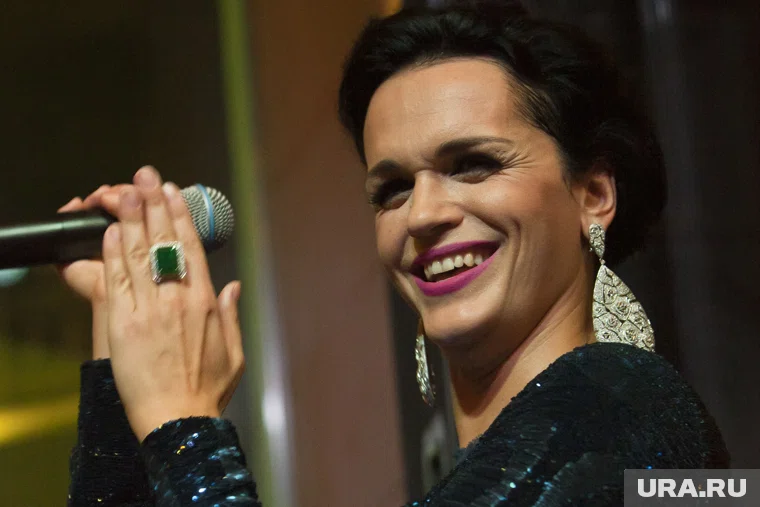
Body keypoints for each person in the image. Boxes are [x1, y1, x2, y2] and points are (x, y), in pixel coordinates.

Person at [61, 2, 729, 506]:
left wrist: (183, 424)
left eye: (473, 164)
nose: (423, 214)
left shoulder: (627, 406)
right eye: (393, 190)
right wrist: (122, 361)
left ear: (594, 194)